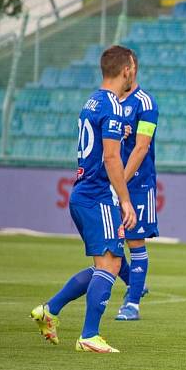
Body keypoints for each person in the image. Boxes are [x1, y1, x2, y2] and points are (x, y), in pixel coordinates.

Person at [30, 45, 138, 353]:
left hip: (82, 193)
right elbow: (112, 158)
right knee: (111, 264)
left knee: (103, 265)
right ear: (126, 70)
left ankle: (49, 310)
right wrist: (125, 200)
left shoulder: (92, 100)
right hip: (98, 194)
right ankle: (89, 336)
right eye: (133, 68)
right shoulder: (114, 106)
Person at [114, 51, 159, 321]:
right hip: (108, 183)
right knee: (108, 244)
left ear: (131, 69)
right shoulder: (110, 102)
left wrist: (121, 181)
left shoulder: (145, 103)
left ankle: (132, 305)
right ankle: (135, 284)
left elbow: (141, 148)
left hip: (138, 183)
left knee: (134, 241)